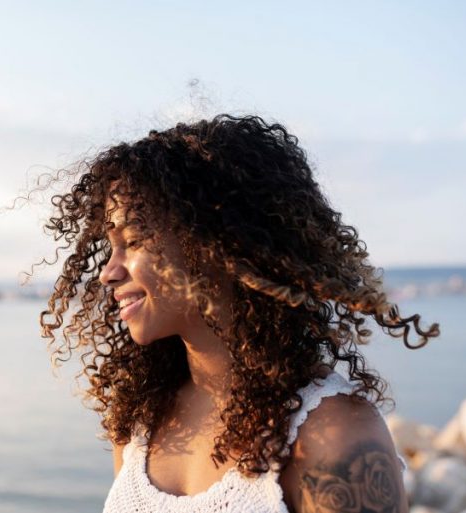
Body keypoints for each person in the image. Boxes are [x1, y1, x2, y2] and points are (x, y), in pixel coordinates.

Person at [37, 114, 439, 513]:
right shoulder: (139, 422)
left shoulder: (332, 437)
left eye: (134, 240)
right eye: (110, 247)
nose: (109, 272)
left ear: (217, 245)